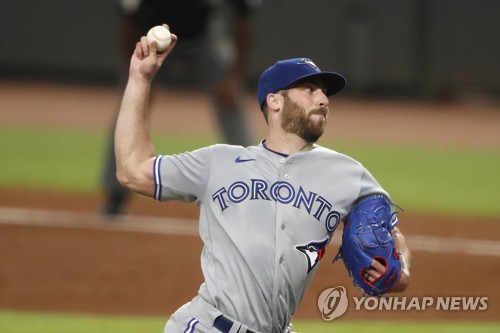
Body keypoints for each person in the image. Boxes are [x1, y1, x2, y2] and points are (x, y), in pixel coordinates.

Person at [115, 25, 411, 333]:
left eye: (324, 93)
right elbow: (132, 169)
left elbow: (392, 231)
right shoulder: (219, 162)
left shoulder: (348, 174)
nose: (323, 99)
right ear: (275, 101)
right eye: (310, 90)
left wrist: (401, 271)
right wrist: (140, 77)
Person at [102, 0, 260, 215]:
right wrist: (137, 82)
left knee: (230, 103)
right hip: (152, 43)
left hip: (204, 40)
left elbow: (244, 20)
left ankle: (257, 190)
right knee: (129, 107)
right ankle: (116, 195)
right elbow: (128, 26)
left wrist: (233, 77)